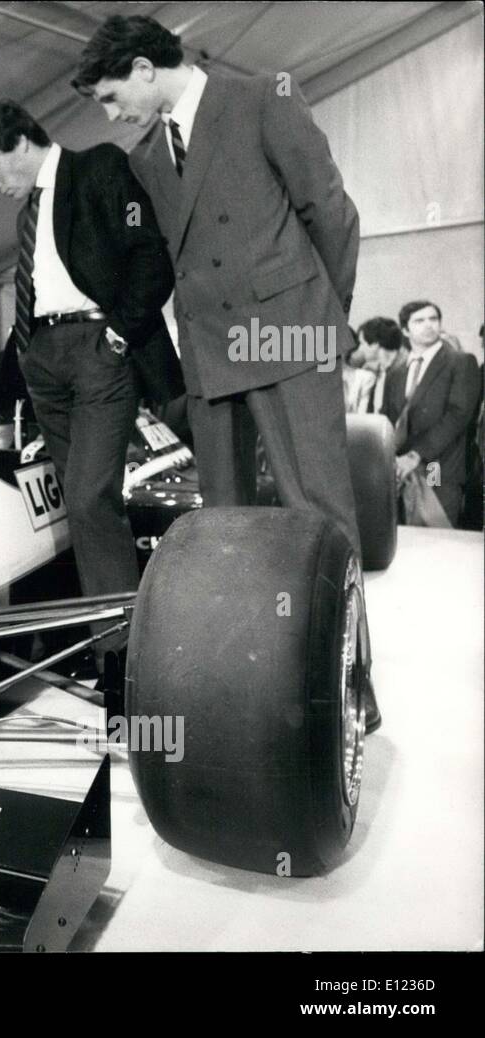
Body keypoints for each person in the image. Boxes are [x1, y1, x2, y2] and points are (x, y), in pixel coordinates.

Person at [74, 15, 380, 726]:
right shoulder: (149, 155)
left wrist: (317, 323)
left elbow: (331, 211)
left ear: (146, 69)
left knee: (321, 517)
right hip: (210, 355)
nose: (113, 114)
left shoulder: (260, 98)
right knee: (226, 530)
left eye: (113, 96)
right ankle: (255, 695)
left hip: (287, 337)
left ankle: (349, 690)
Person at [0, 99, 181, 694]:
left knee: (88, 499)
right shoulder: (29, 212)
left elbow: (150, 257)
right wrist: (7, 393)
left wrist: (116, 335)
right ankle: (97, 638)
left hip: (98, 346)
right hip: (42, 356)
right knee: (74, 508)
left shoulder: (98, 166)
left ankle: (127, 663)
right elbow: (27, 302)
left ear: (16, 141)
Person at [382, 300, 482, 525]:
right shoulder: (396, 372)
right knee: (405, 542)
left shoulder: (461, 362)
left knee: (437, 538)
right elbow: (388, 418)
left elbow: (458, 416)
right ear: (406, 330)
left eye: (433, 319)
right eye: (420, 321)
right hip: (400, 472)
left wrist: (415, 455)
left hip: (437, 467)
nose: (429, 325)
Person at [354, 316, 407, 416]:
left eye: (362, 343)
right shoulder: (379, 371)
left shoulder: (404, 371)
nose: (360, 349)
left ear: (375, 344)